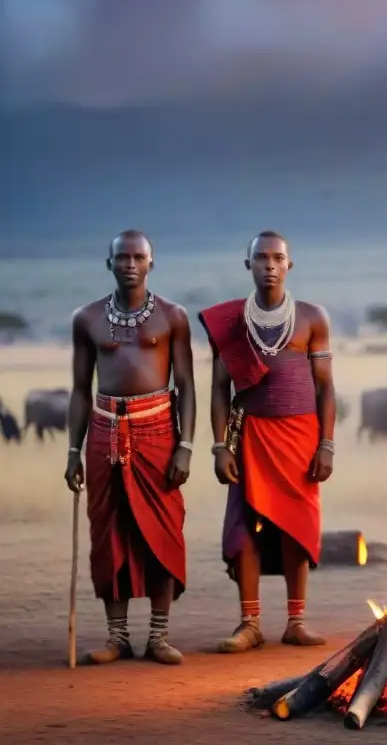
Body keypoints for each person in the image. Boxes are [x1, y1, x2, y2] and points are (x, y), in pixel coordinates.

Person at [198, 231, 336, 653]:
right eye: (261, 258)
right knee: (243, 531)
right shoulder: (232, 321)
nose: (270, 265)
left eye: (278, 258)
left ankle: (296, 621)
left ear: (289, 265)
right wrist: (221, 446)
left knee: (297, 527)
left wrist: (326, 445)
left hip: (300, 437)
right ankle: (249, 624)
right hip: (250, 437)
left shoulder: (312, 317)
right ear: (249, 266)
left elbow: (326, 387)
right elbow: (220, 388)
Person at [64, 230, 196, 665]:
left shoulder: (174, 317)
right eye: (122, 257)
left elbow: (187, 386)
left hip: (157, 430)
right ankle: (116, 636)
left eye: (138, 257)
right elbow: (81, 390)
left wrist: (186, 446)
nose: (130, 263)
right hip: (103, 432)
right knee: (109, 533)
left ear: (151, 264)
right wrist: (72, 452)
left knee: (162, 530)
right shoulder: (86, 318)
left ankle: (158, 636)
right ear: (109, 264)